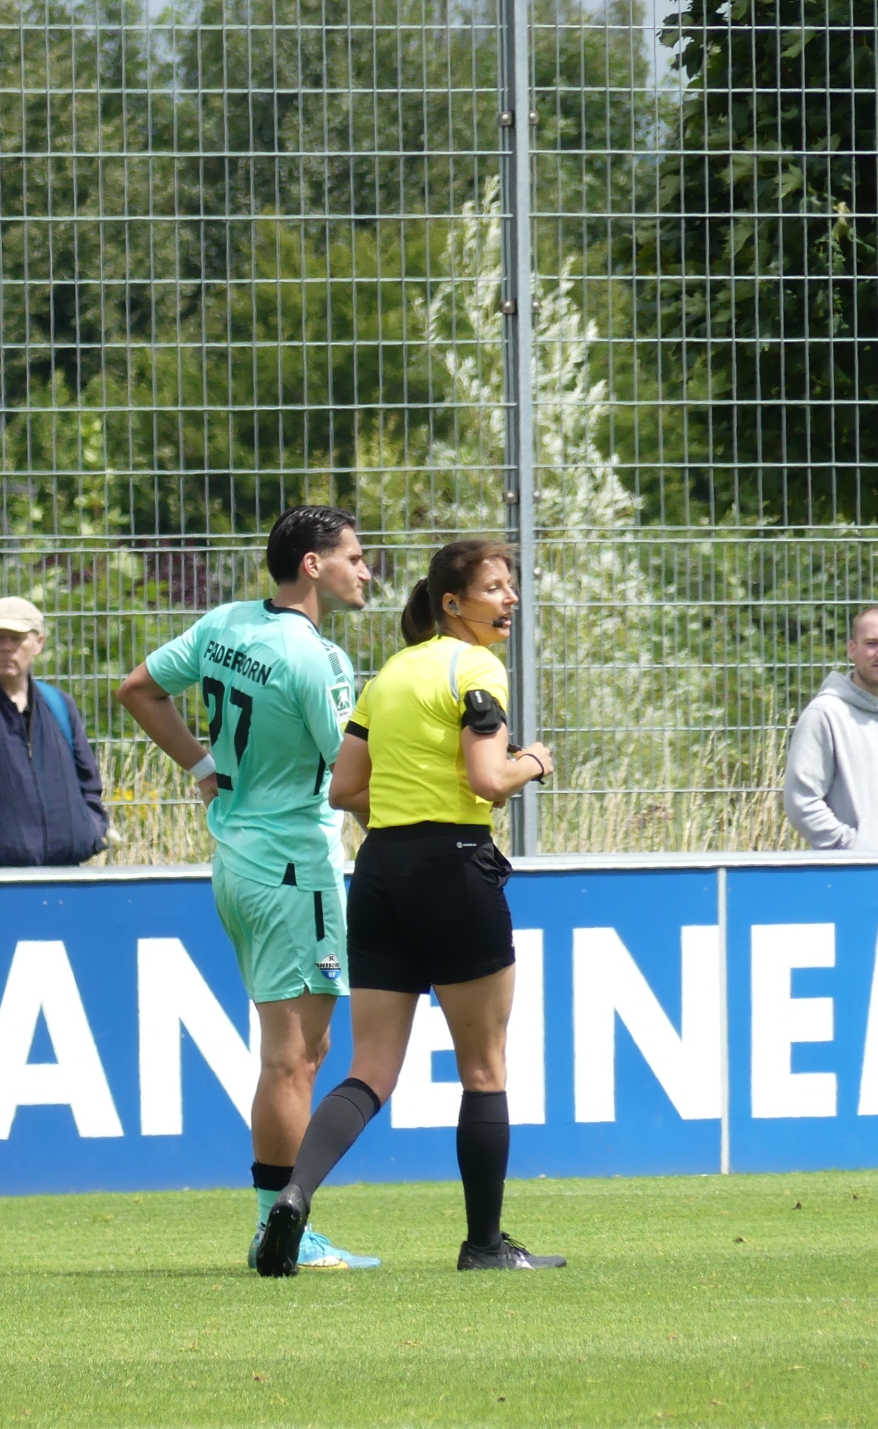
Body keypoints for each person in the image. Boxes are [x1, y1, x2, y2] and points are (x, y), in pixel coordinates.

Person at [256, 539, 566, 1277]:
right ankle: (484, 1247)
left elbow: (344, 789)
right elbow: (488, 780)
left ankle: (293, 1197)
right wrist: (533, 761)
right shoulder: (476, 668)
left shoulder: (390, 674)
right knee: (484, 1069)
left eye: (511, 586)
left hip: (380, 871)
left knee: (369, 1069)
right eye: (495, 588)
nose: (510, 599)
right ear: (452, 603)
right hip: (455, 866)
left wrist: (407, 810)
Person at [116, 504, 379, 1272]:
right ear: (312, 565)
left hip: (237, 858)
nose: (365, 572)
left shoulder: (225, 624)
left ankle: (277, 1222)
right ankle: (279, 1227)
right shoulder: (318, 660)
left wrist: (204, 769)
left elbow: (137, 688)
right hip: (295, 867)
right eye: (355, 556)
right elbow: (350, 782)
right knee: (293, 1060)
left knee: (303, 1049)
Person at [0, 595, 108, 867]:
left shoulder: (59, 705)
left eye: (16, 639)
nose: (6, 647)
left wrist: (89, 830)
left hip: (64, 873)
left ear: (38, 643)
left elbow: (89, 784)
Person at [782, 605, 878, 850]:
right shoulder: (824, 714)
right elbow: (801, 801)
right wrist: (850, 847)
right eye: (872, 643)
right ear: (852, 649)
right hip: (853, 866)